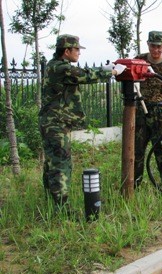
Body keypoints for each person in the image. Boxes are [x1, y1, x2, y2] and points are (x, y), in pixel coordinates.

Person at [39, 34, 126, 211]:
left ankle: (52, 203)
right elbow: (84, 75)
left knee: (52, 163)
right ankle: (61, 209)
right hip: (55, 123)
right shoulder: (60, 68)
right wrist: (113, 71)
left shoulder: (54, 66)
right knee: (61, 164)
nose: (79, 53)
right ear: (66, 51)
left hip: (52, 122)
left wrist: (105, 68)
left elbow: (80, 74)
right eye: (77, 49)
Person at [134, 31, 162, 195]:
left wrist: (156, 75)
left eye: (159, 46)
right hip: (140, 109)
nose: (156, 50)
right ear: (148, 44)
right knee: (136, 150)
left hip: (159, 111)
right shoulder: (140, 59)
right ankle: (134, 187)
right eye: (153, 46)